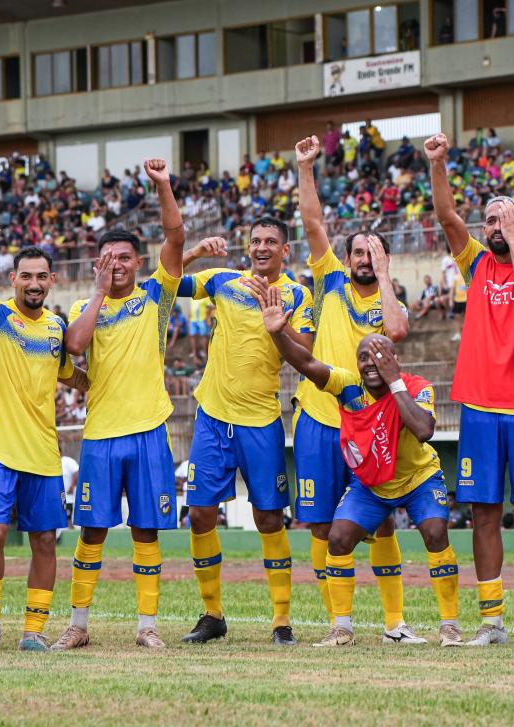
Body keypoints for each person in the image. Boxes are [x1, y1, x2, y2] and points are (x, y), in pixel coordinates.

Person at [255, 285, 461, 647]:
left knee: (434, 532)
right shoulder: (348, 387)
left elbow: (425, 429)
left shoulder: (416, 387)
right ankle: (342, 628)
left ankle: (449, 626)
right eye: (364, 356)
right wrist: (277, 335)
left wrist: (395, 382)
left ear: (395, 360)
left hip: (418, 478)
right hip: (373, 483)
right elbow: (306, 363)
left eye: (379, 354)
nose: (370, 362)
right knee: (337, 537)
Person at [426, 132, 514, 647]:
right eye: (489, 219)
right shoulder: (475, 262)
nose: (492, 225)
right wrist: (437, 164)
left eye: (503, 217)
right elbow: (447, 217)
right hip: (479, 409)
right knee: (481, 514)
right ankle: (493, 621)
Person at [52, 159, 186, 652]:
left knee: (147, 531)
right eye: (109, 258)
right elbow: (75, 346)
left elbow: (175, 236)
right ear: (98, 265)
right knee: (91, 531)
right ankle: (79, 625)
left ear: (138, 261)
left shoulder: (157, 295)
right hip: (101, 434)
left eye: (126, 257)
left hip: (149, 430)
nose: (118, 264)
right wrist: (97, 293)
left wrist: (163, 185)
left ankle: (147, 625)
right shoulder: (86, 306)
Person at [292, 136, 420, 645]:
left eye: (372, 251)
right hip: (322, 418)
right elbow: (312, 224)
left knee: (383, 525)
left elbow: (398, 331)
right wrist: (306, 168)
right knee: (322, 527)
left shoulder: (391, 297)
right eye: (357, 251)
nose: (363, 258)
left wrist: (387, 274)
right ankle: (339, 626)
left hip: (372, 422)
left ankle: (394, 624)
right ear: (344, 258)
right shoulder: (331, 283)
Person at [175, 215, 314, 647]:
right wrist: (195, 253)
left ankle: (281, 620)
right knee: (199, 513)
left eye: (271, 241)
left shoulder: (296, 294)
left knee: (268, 517)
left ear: (285, 250)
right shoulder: (222, 281)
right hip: (213, 416)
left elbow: (305, 353)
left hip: (261, 421)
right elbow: (165, 281)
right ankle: (212, 614)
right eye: (256, 240)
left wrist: (279, 324)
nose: (261, 247)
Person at [0, 223, 89, 653]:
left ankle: (33, 631)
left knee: (44, 541)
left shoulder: (56, 328)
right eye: (26, 276)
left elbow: (70, 375)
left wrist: (108, 382)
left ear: (52, 280)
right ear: (12, 280)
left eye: (41, 276)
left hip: (42, 452)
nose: (34, 283)